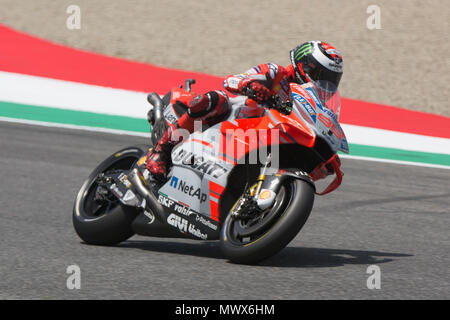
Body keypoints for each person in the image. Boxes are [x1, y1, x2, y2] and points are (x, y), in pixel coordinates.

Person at [146, 40, 344, 181]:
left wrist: (323, 156)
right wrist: (250, 86)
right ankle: (161, 152)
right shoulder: (274, 73)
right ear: (304, 66)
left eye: (331, 80)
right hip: (235, 121)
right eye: (321, 75)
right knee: (217, 99)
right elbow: (230, 80)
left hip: (264, 142)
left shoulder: (314, 103)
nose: (326, 84)